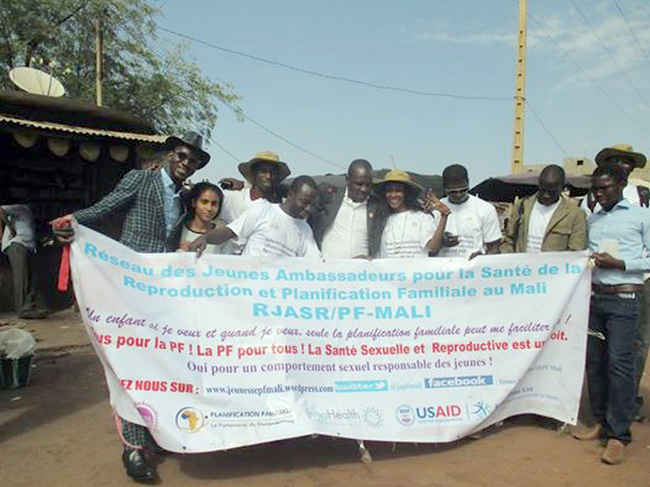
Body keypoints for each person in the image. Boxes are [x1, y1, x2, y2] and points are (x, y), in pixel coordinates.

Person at [52, 132, 210, 482]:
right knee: (131, 364)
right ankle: (134, 449)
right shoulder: (141, 179)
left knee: (160, 363)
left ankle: (156, 434)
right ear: (171, 154)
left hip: (160, 293)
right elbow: (105, 207)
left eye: (193, 161)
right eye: (182, 156)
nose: (186, 163)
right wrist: (71, 221)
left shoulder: (184, 200)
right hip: (128, 286)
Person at [572, 163, 650, 465]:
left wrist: (619, 264)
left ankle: (619, 435)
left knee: (620, 364)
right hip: (595, 298)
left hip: (624, 300)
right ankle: (602, 422)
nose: (599, 193)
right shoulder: (592, 219)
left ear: (621, 184)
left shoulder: (641, 216)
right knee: (595, 362)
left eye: (605, 187)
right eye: (596, 188)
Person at [190, 176, 321, 259]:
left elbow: (316, 263)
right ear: (291, 194)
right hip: (250, 292)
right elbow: (229, 232)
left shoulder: (305, 231)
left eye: (311, 203)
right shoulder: (263, 210)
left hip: (278, 296)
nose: (308, 208)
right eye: (304, 202)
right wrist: (205, 238)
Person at [501, 165, 587, 253]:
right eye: (542, 190)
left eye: (551, 192)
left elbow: (576, 251)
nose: (546, 195)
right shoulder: (522, 206)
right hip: (522, 265)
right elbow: (508, 240)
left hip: (554, 266)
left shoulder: (576, 215)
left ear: (563, 187)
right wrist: (508, 259)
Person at [309, 159, 386, 259]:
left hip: (360, 271)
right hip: (327, 270)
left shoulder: (376, 206)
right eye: (359, 184)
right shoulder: (330, 199)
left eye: (368, 185)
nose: (364, 189)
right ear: (347, 179)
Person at [374, 169, 449, 258]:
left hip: (416, 271)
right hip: (390, 271)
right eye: (389, 190)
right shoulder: (381, 219)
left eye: (398, 190)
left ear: (407, 193)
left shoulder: (422, 217)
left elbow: (433, 247)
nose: (393, 195)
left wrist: (444, 216)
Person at [436, 164, 501, 259]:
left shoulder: (485, 209)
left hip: (474, 271)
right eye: (453, 192)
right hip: (443, 271)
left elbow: (494, 248)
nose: (458, 195)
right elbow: (428, 248)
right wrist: (440, 241)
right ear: (444, 186)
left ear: (468, 183)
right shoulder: (436, 209)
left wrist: (482, 258)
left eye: (463, 190)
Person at [0, 203, 48, 318]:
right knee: (21, 277)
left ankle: (29, 307)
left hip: (28, 247)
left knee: (33, 276)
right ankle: (22, 310)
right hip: (17, 244)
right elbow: (0, 209)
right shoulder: (22, 208)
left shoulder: (31, 216)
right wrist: (11, 230)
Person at [219, 151, 291, 223]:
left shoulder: (283, 206)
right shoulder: (232, 199)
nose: (268, 176)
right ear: (254, 173)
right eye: (263, 171)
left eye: (273, 172)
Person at [581, 143, 645, 214]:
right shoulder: (592, 198)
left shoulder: (642, 195)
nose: (619, 165)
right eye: (614, 161)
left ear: (632, 168)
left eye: (625, 162)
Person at [177, 182, 232, 254]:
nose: (209, 208)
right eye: (204, 202)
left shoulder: (222, 235)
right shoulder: (178, 230)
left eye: (214, 204)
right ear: (194, 203)